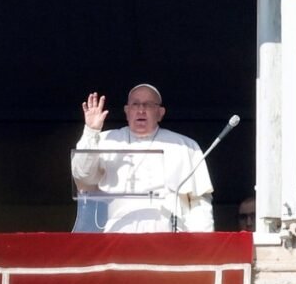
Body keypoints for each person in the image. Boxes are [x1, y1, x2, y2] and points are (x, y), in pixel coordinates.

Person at [71, 84, 214, 233]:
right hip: (116, 240)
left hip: (170, 243)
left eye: (148, 105)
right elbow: (83, 176)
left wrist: (201, 245)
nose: (141, 110)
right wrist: (91, 131)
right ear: (127, 111)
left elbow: (199, 202)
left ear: (160, 113)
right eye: (135, 104)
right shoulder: (104, 140)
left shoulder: (185, 146)